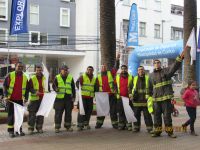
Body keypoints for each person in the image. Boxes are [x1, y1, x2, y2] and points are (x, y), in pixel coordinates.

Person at [150, 55, 184, 138]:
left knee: (167, 117)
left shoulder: (166, 71)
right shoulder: (151, 75)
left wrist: (179, 58)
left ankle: (170, 132)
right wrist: (149, 98)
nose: (157, 64)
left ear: (160, 64)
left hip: (166, 99)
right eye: (155, 63)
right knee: (157, 117)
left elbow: (174, 67)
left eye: (158, 63)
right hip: (156, 100)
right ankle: (157, 132)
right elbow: (149, 88)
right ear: (153, 64)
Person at [3, 62, 28, 138]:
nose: (20, 68)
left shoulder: (25, 77)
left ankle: (19, 130)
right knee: (11, 115)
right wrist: (6, 96)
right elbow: (4, 86)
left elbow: (27, 89)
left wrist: (26, 98)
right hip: (10, 99)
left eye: (21, 66)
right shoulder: (10, 75)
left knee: (19, 115)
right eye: (18, 66)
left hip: (20, 99)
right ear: (15, 67)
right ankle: (11, 131)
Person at [95, 54, 120, 129]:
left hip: (111, 95)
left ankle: (115, 124)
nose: (103, 68)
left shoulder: (110, 73)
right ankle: (99, 124)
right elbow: (95, 87)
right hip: (102, 96)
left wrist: (117, 59)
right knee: (101, 111)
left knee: (113, 111)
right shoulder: (98, 77)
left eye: (104, 67)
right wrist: (96, 97)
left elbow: (116, 67)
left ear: (106, 68)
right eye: (102, 67)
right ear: (101, 68)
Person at [52, 65, 76, 133]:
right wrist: (56, 89)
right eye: (64, 70)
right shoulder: (57, 77)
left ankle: (68, 126)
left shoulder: (70, 77)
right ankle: (57, 127)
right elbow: (53, 85)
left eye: (66, 70)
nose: (66, 71)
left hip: (68, 98)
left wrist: (74, 97)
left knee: (68, 113)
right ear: (61, 70)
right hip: (59, 99)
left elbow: (73, 88)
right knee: (58, 113)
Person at [27, 65, 49, 134]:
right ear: (35, 71)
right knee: (32, 114)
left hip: (43, 99)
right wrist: (34, 92)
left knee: (41, 114)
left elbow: (47, 88)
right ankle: (31, 128)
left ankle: (39, 128)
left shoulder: (45, 78)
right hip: (34, 99)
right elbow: (29, 88)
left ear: (42, 70)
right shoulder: (32, 78)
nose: (39, 72)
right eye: (37, 70)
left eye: (40, 70)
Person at [131, 66, 153, 133]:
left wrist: (150, 95)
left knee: (147, 116)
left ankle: (150, 128)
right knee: (136, 115)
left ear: (144, 71)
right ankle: (136, 127)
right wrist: (130, 94)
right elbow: (130, 87)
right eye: (139, 70)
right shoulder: (134, 78)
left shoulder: (148, 78)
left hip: (145, 101)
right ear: (137, 71)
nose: (140, 71)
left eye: (142, 70)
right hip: (136, 101)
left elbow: (151, 88)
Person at [76, 66, 97, 131]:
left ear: (93, 71)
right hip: (83, 97)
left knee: (89, 111)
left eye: (91, 70)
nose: (89, 71)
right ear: (86, 70)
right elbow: (77, 83)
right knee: (82, 110)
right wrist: (80, 88)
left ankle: (86, 123)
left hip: (90, 97)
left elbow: (95, 87)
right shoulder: (82, 76)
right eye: (88, 70)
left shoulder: (94, 78)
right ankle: (80, 125)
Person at [116, 65, 133, 131]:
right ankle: (121, 125)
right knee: (121, 112)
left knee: (128, 112)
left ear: (127, 69)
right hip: (120, 97)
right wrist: (116, 92)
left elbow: (133, 86)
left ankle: (129, 125)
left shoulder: (131, 77)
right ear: (121, 70)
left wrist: (131, 94)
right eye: (122, 69)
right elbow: (114, 86)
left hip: (128, 97)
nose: (123, 70)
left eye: (125, 69)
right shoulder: (117, 77)